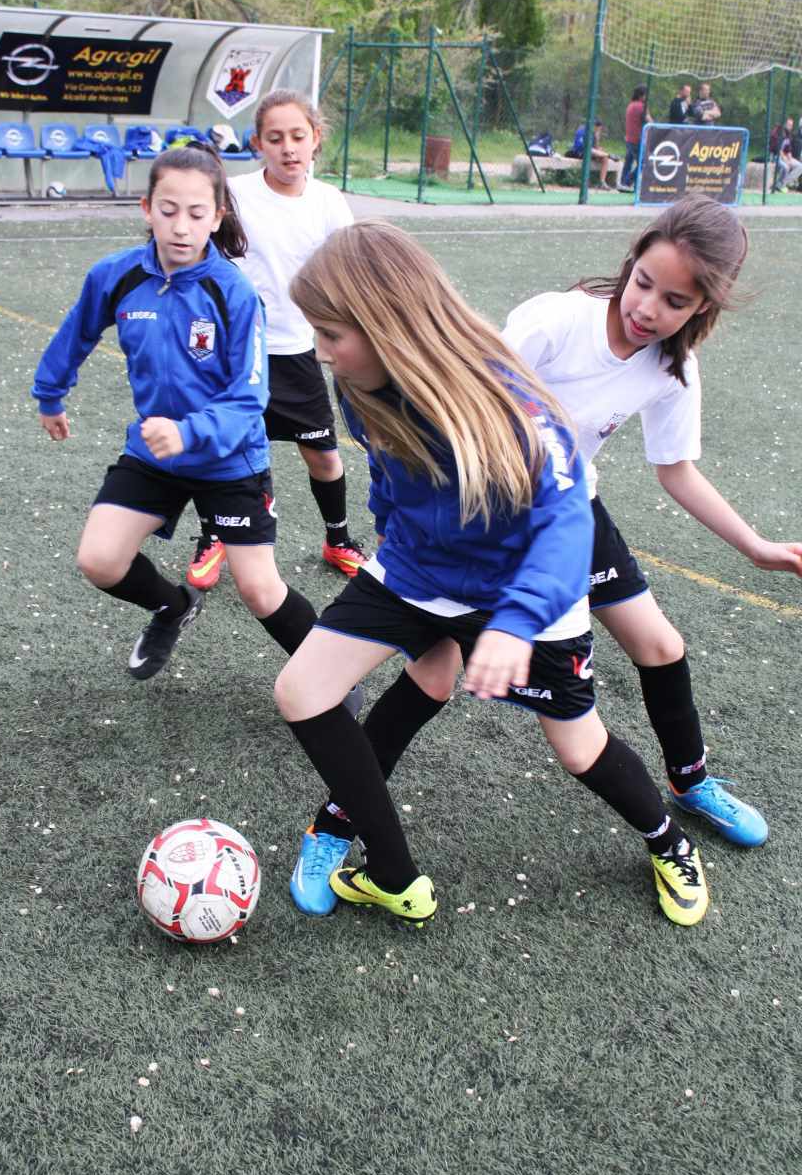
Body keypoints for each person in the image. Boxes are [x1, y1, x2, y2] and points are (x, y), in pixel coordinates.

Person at [276, 220, 712, 930]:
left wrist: (513, 623)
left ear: (385, 325)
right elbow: (388, 467)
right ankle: (385, 869)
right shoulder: (358, 381)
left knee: (578, 747)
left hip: (525, 591)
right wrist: (386, 517)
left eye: (330, 335)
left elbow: (567, 522)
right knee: (304, 689)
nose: (319, 352)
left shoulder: (503, 401)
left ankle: (668, 840)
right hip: (419, 569)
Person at [502, 193, 802, 851]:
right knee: (436, 672)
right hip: (494, 515)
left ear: (702, 309)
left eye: (675, 301)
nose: (647, 308)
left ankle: (690, 783)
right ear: (632, 259)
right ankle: (344, 816)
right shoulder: (554, 321)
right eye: (644, 282)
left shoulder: (672, 369)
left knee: (662, 646)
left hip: (572, 511)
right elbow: (467, 405)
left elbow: (677, 470)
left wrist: (754, 547)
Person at [31, 145, 322, 683]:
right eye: (168, 211)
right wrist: (51, 394)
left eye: (196, 214)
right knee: (99, 561)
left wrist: (190, 433)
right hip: (155, 452)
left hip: (228, 459)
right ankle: (172, 606)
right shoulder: (116, 275)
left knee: (259, 589)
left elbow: (248, 398)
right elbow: (78, 331)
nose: (181, 227)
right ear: (147, 209)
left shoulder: (232, 291)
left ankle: (328, 675)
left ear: (217, 216)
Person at [186, 89, 366, 592]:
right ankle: (214, 535)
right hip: (238, 354)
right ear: (258, 144)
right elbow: (202, 253)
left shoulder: (329, 202)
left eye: (297, 136)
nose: (288, 148)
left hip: (296, 352)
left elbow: (350, 271)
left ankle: (338, 538)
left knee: (325, 456)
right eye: (275, 138)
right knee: (222, 452)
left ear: (316, 140)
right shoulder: (236, 195)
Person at [619, 85, 651, 191]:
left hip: (629, 138)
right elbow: (650, 121)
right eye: (646, 95)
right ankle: (628, 181)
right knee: (644, 163)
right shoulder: (641, 106)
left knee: (628, 161)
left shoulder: (631, 105)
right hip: (637, 139)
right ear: (642, 95)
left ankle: (623, 182)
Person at [570, 119, 615, 189]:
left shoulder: (593, 134)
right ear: (593, 126)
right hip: (579, 152)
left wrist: (597, 138)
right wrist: (597, 152)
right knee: (591, 153)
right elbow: (582, 147)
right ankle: (585, 180)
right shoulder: (581, 131)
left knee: (604, 159)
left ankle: (602, 182)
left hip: (591, 152)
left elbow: (595, 147)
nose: (598, 130)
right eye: (598, 129)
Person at [772, 117, 802, 192]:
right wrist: (785, 160)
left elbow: (788, 150)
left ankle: (782, 183)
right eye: (788, 124)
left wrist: (789, 158)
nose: (790, 126)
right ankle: (779, 184)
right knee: (785, 167)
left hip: (784, 157)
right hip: (775, 156)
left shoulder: (789, 135)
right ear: (784, 124)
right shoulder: (778, 132)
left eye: (791, 125)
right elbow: (777, 149)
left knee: (799, 166)